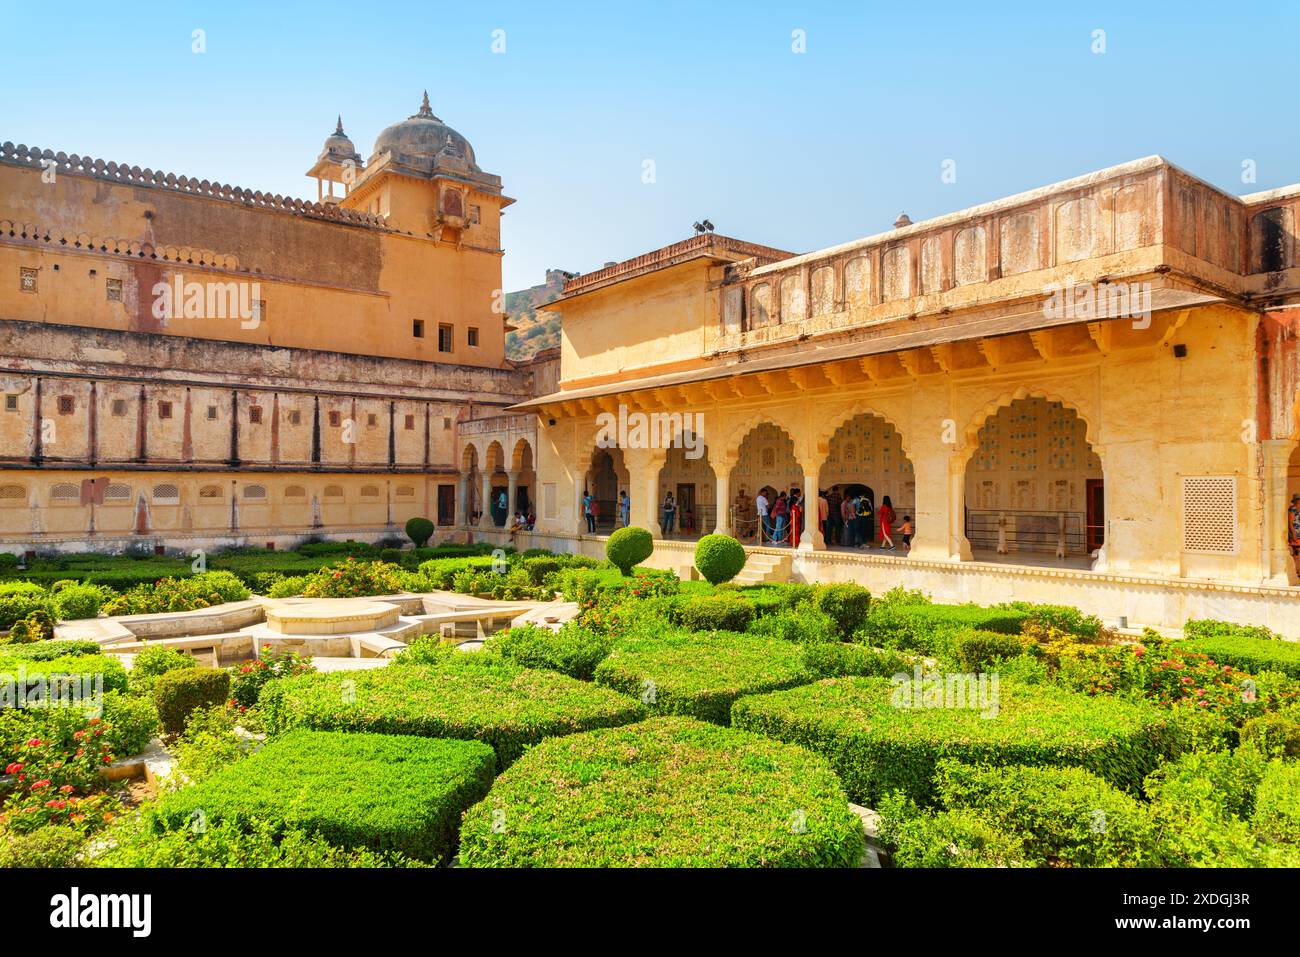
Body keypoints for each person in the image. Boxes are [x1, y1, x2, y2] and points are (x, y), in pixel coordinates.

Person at [1289, 494, 1300, 575]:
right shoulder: (1293, 509)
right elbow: (1290, 523)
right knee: (1296, 553)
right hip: (1295, 534)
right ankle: (1296, 571)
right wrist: (1293, 534)